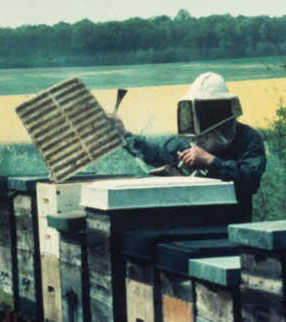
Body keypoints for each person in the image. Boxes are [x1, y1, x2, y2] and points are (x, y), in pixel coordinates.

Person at [111, 71, 266, 217]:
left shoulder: (248, 138)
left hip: (231, 222)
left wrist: (210, 161)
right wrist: (123, 134)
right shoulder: (187, 141)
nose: (205, 116)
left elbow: (250, 179)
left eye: (210, 110)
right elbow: (153, 152)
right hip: (193, 221)